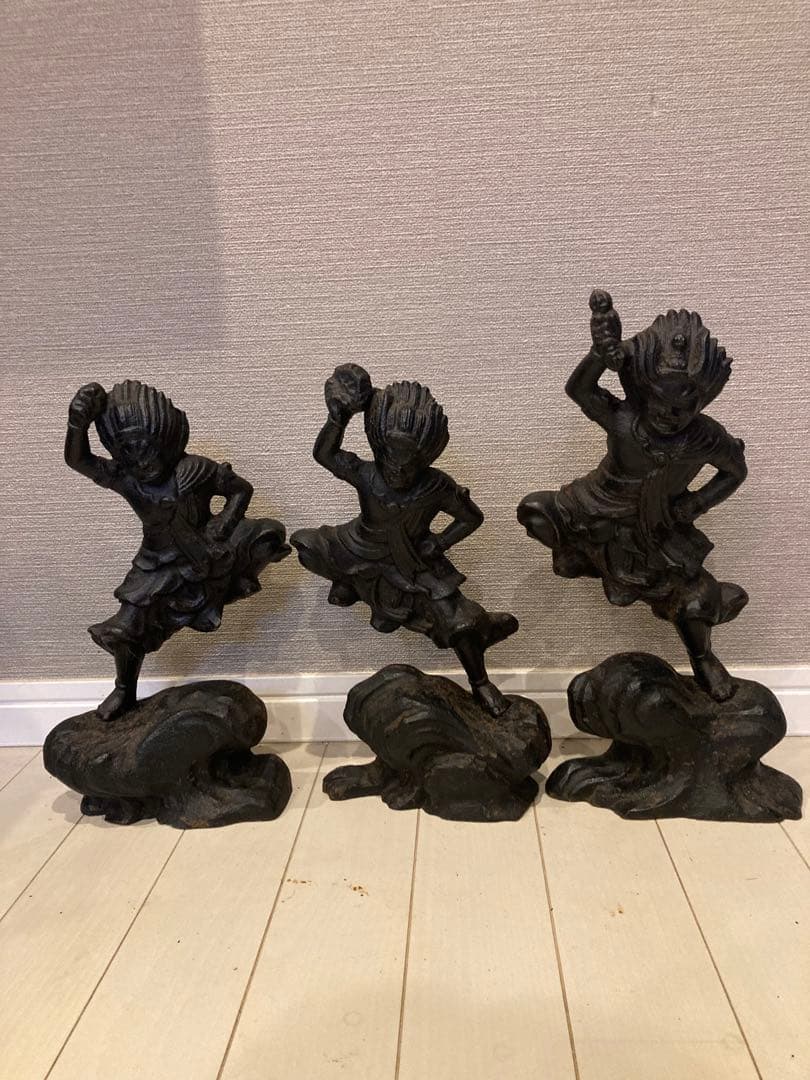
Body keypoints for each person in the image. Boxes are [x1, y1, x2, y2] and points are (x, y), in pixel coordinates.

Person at [518, 291, 748, 701]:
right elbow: (579, 390)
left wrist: (697, 502)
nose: (671, 415)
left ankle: (703, 658)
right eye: (661, 401)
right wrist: (600, 356)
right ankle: (581, 555)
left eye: (685, 406)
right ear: (643, 390)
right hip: (594, 504)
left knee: (693, 598)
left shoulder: (705, 437)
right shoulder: (625, 420)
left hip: (657, 525)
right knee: (534, 510)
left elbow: (735, 472)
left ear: (704, 400)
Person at [291, 364, 517, 716]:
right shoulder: (367, 474)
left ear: (426, 458)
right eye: (389, 459)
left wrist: (440, 543)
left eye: (409, 464)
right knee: (305, 545)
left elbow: (472, 517)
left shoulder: (436, 486)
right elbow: (325, 455)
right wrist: (338, 419)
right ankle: (350, 582)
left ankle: (481, 682)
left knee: (460, 623)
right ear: (378, 448)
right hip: (359, 546)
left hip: (413, 561)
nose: (398, 471)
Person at [65, 379, 289, 719]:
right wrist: (77, 424)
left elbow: (241, 490)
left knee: (268, 534)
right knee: (125, 629)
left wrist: (222, 524)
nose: (141, 459)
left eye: (145, 446)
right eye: (128, 451)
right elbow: (78, 460)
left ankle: (235, 582)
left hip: (206, 551)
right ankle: (124, 689)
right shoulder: (127, 479)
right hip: (155, 564)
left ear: (165, 437)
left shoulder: (195, 470)